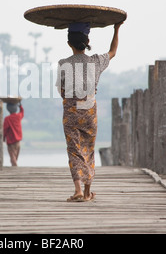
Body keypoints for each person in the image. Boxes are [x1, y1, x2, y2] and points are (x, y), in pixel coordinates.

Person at [56, 21, 124, 202]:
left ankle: (78, 190)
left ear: (69, 43)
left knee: (74, 149)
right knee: (88, 148)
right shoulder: (95, 61)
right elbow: (113, 52)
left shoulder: (63, 64)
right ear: (87, 41)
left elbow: (60, 90)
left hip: (71, 110)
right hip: (89, 110)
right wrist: (116, 29)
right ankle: (87, 192)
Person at [3, 102, 24, 166]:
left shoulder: (7, 119)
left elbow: (5, 129)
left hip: (10, 141)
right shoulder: (18, 116)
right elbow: (22, 113)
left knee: (12, 157)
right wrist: (20, 106)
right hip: (18, 141)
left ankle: (15, 168)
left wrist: (3, 138)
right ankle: (15, 167)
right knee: (15, 157)